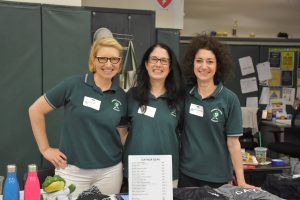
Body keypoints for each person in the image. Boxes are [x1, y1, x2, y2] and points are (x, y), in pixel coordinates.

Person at [28, 37, 127, 197]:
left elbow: (122, 135)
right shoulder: (74, 85)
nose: (108, 64)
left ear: (120, 63)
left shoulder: (122, 95)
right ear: (93, 60)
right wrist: (45, 149)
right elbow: (35, 110)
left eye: (114, 59)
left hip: (110, 172)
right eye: (102, 58)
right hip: (72, 171)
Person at [179, 35, 255, 189]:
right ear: (192, 63)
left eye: (210, 61)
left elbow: (233, 144)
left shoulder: (229, 99)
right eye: (199, 60)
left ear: (218, 65)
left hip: (217, 177)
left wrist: (240, 181)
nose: (204, 66)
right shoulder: (185, 95)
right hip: (187, 174)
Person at [123, 43, 184, 188]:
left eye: (163, 61)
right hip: (137, 171)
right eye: (154, 59)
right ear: (146, 64)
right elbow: (121, 133)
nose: (158, 64)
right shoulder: (131, 96)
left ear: (170, 67)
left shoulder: (180, 99)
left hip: (167, 173)